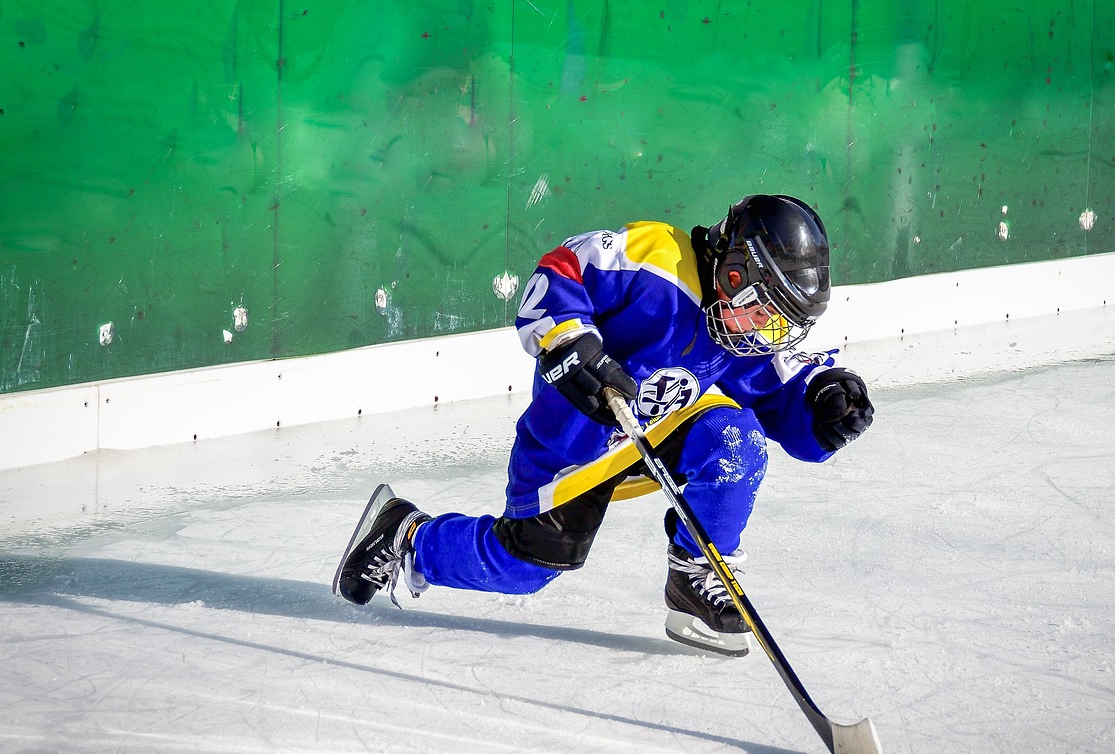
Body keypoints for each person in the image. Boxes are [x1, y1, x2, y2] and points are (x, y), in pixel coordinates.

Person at [334, 194, 874, 656]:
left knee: (736, 442)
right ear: (736, 272)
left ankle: (695, 576)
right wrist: (572, 342)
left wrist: (822, 407)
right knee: (523, 567)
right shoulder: (658, 261)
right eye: (766, 311)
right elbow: (558, 273)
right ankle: (407, 534)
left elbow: (781, 390)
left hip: (662, 427)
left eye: (782, 323)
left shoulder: (742, 331)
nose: (767, 332)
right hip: (576, 437)